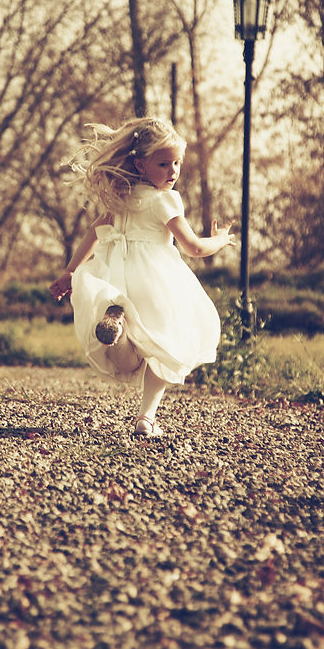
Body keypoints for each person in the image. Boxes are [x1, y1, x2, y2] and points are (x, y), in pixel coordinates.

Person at [49, 117, 234, 437]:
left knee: (125, 356)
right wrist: (220, 240)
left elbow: (94, 232)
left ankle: (117, 325)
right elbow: (193, 247)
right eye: (163, 164)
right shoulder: (165, 200)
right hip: (155, 278)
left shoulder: (120, 197)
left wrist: (71, 271)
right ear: (139, 165)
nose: (173, 171)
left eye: (177, 163)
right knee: (168, 346)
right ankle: (146, 418)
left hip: (115, 275)